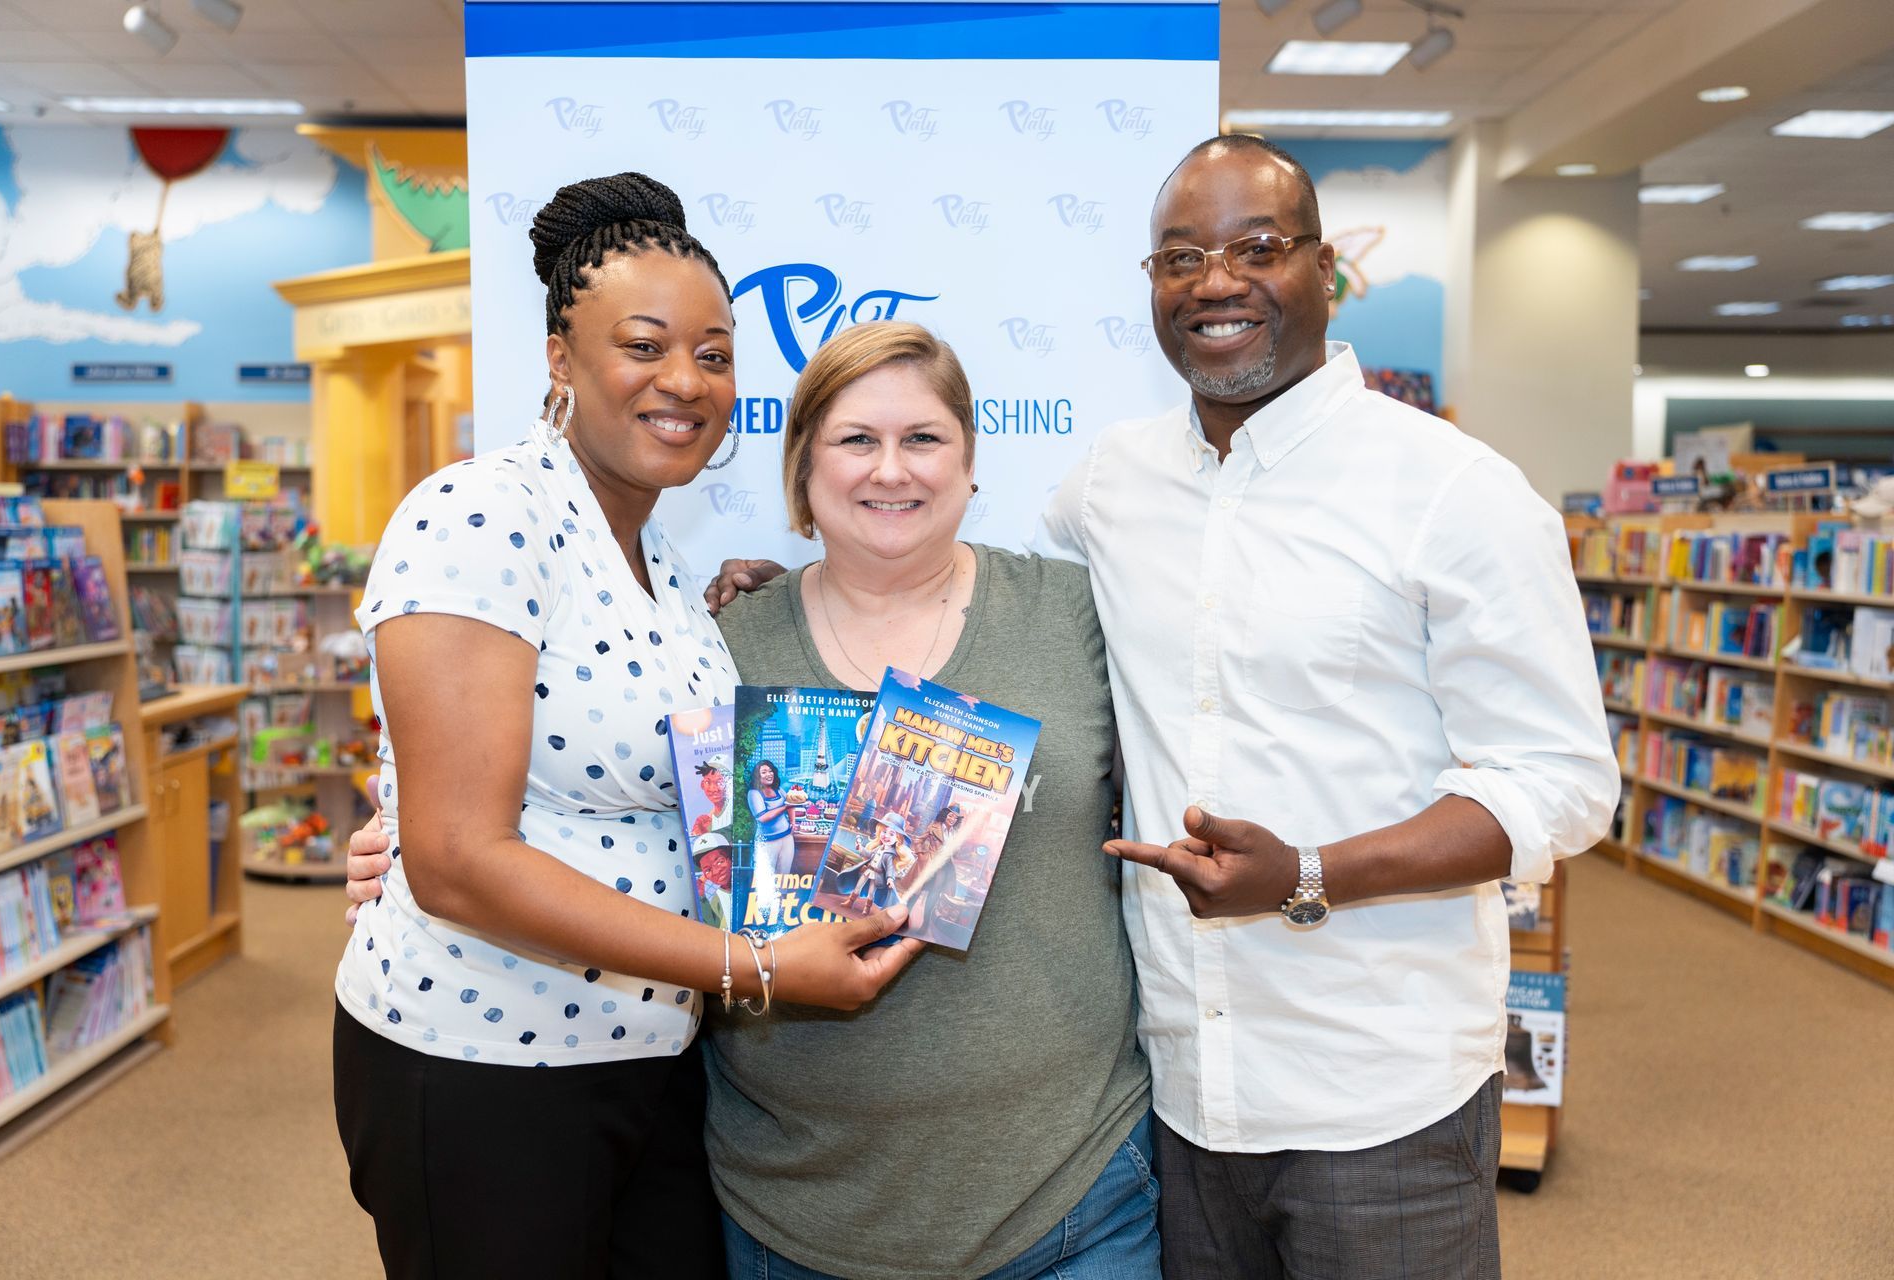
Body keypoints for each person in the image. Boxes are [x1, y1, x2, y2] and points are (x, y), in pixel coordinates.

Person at [709, 137, 1618, 1279]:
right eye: (1181, 256)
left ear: (1326, 270)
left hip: (1379, 1091)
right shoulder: (1112, 487)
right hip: (1180, 1100)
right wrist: (791, 581)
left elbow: (1564, 781)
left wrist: (1312, 870)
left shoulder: (1455, 492)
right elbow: (934, 565)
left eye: (1258, 247)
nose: (1218, 280)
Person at [350, 320, 1159, 1280]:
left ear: (972, 464)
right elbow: (586, 780)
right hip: (790, 1211)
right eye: (856, 440)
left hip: (1072, 1198)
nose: (890, 469)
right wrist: (401, 835)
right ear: (802, 472)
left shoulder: (1077, 614)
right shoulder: (712, 647)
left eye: (924, 438)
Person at [330, 173, 920, 1280]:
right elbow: (459, 861)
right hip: (480, 1068)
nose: (685, 381)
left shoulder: (665, 564)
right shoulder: (480, 514)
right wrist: (752, 965)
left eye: (713, 352)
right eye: (643, 345)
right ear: (560, 358)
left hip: (648, 1061)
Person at [744, 758, 797, 918]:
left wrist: (793, 821)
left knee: (783, 875)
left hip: (786, 839)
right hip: (767, 842)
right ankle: (764, 911)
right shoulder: (754, 793)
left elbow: (791, 803)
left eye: (770, 771)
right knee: (766, 878)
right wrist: (785, 807)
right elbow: (763, 817)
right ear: (757, 776)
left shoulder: (779, 790)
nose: (769, 774)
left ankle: (781, 910)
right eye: (764, 772)